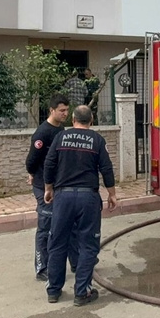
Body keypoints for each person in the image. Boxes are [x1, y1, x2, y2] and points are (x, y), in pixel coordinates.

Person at [43, 105, 118, 306]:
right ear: (91, 121)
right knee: (88, 245)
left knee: (57, 243)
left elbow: (49, 164)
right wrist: (112, 194)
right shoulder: (97, 140)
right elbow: (106, 169)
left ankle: (53, 291)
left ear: (73, 120)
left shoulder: (60, 137)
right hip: (88, 198)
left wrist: (48, 188)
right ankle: (82, 293)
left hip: (63, 197)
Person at [25, 94, 76, 282]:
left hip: (59, 185)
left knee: (68, 223)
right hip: (43, 186)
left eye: (67, 110)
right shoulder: (42, 133)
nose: (65, 113)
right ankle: (42, 268)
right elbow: (31, 161)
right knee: (45, 226)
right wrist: (33, 174)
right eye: (62, 110)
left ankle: (76, 262)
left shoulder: (60, 129)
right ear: (51, 110)